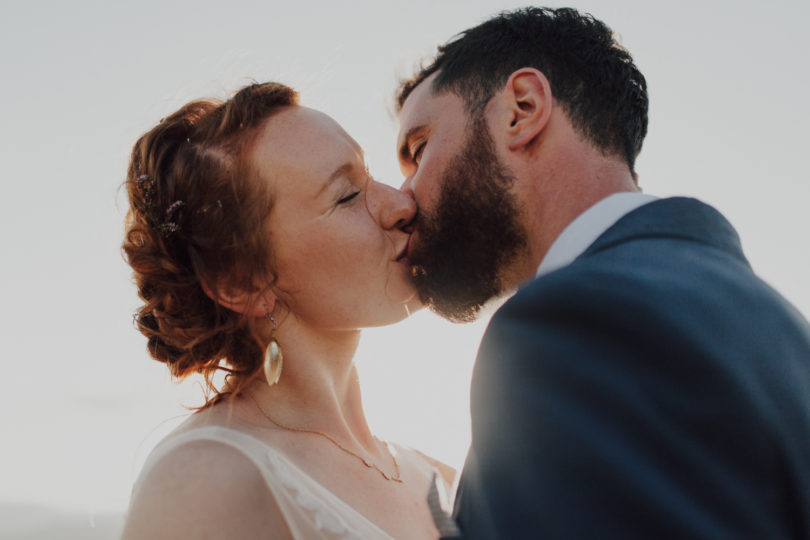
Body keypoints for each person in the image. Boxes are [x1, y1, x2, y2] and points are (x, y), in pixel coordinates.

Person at [395, 7, 810, 539]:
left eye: (419, 148)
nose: (403, 197)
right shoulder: (767, 320)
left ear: (521, 109)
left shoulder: (573, 322)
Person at [120, 81, 453, 539]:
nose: (400, 203)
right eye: (346, 195)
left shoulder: (439, 481)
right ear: (242, 283)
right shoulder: (205, 481)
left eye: (370, 174)